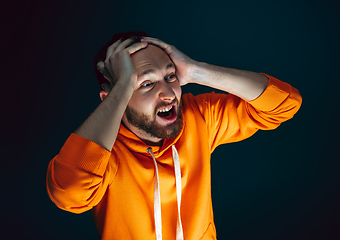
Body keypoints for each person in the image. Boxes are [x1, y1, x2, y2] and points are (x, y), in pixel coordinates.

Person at [46, 31, 302, 240]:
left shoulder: (198, 116)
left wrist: (195, 70)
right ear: (112, 97)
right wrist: (123, 83)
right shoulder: (104, 151)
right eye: (146, 83)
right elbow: (69, 193)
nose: (168, 93)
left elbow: (284, 104)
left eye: (170, 76)